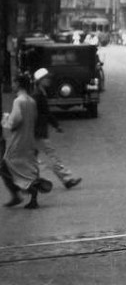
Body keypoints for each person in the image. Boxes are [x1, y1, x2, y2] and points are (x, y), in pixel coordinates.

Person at [1, 74, 52, 209]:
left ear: (18, 84)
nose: (12, 85)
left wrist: (6, 119)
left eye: (13, 83)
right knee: (29, 168)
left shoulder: (18, 101)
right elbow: (33, 118)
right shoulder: (31, 100)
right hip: (29, 140)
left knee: (5, 166)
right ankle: (32, 197)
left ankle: (19, 192)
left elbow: (15, 121)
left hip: (17, 141)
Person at [32, 69, 81, 189]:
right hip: (38, 131)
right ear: (40, 81)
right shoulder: (38, 95)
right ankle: (66, 178)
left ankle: (33, 181)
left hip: (36, 131)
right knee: (51, 156)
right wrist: (56, 125)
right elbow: (45, 113)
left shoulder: (40, 93)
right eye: (46, 78)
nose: (48, 80)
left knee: (34, 158)